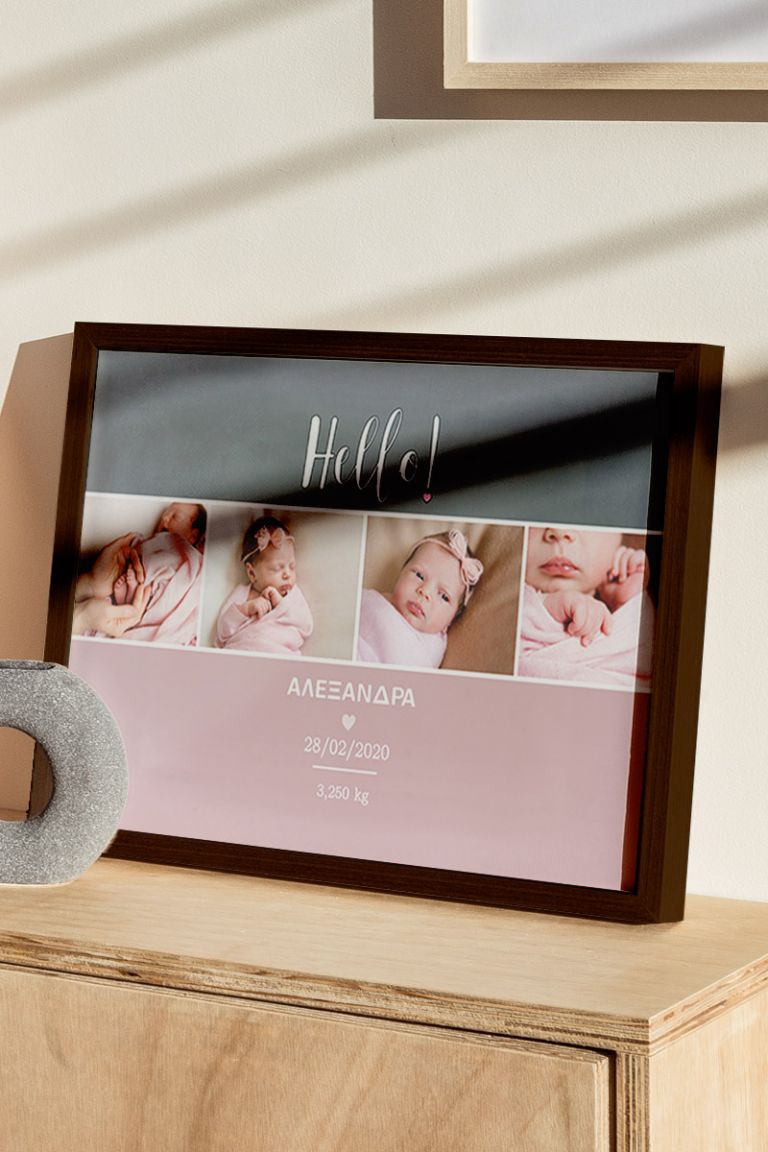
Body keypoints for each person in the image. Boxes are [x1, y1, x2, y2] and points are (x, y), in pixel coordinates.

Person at [518, 526, 653, 688]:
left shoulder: (637, 621)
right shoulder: (505, 602)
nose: (560, 531)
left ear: (619, 538)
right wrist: (542, 608)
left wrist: (631, 606)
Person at [73, 502, 206, 645]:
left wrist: (90, 586)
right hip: (116, 596)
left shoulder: (187, 557)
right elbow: (136, 549)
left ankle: (131, 593)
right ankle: (129, 593)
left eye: (174, 516)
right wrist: (90, 586)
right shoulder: (151, 541)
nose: (165, 519)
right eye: (165, 514)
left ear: (194, 535)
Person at [357, 529, 483, 669]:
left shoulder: (431, 648)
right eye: (419, 576)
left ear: (450, 621)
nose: (425, 592)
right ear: (402, 572)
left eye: (443, 596)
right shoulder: (372, 600)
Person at [215, 516, 314, 654]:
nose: (287, 574)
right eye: (277, 568)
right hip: (241, 651)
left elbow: (305, 626)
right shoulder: (242, 593)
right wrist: (247, 609)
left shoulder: (292, 596)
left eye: (292, 566)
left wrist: (280, 604)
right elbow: (222, 632)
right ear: (252, 573)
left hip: (279, 652)